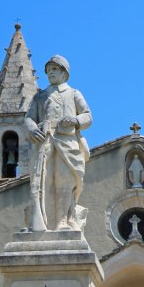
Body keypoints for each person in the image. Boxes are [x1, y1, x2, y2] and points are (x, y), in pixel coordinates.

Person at [23, 55, 92, 231]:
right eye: (48, 70)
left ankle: (62, 221)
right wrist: (32, 130)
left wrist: (76, 121)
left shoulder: (73, 93)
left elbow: (88, 116)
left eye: (54, 69)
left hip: (67, 142)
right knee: (44, 182)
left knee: (65, 181)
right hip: (44, 143)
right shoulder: (40, 96)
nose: (50, 73)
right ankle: (42, 222)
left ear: (64, 73)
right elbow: (29, 118)